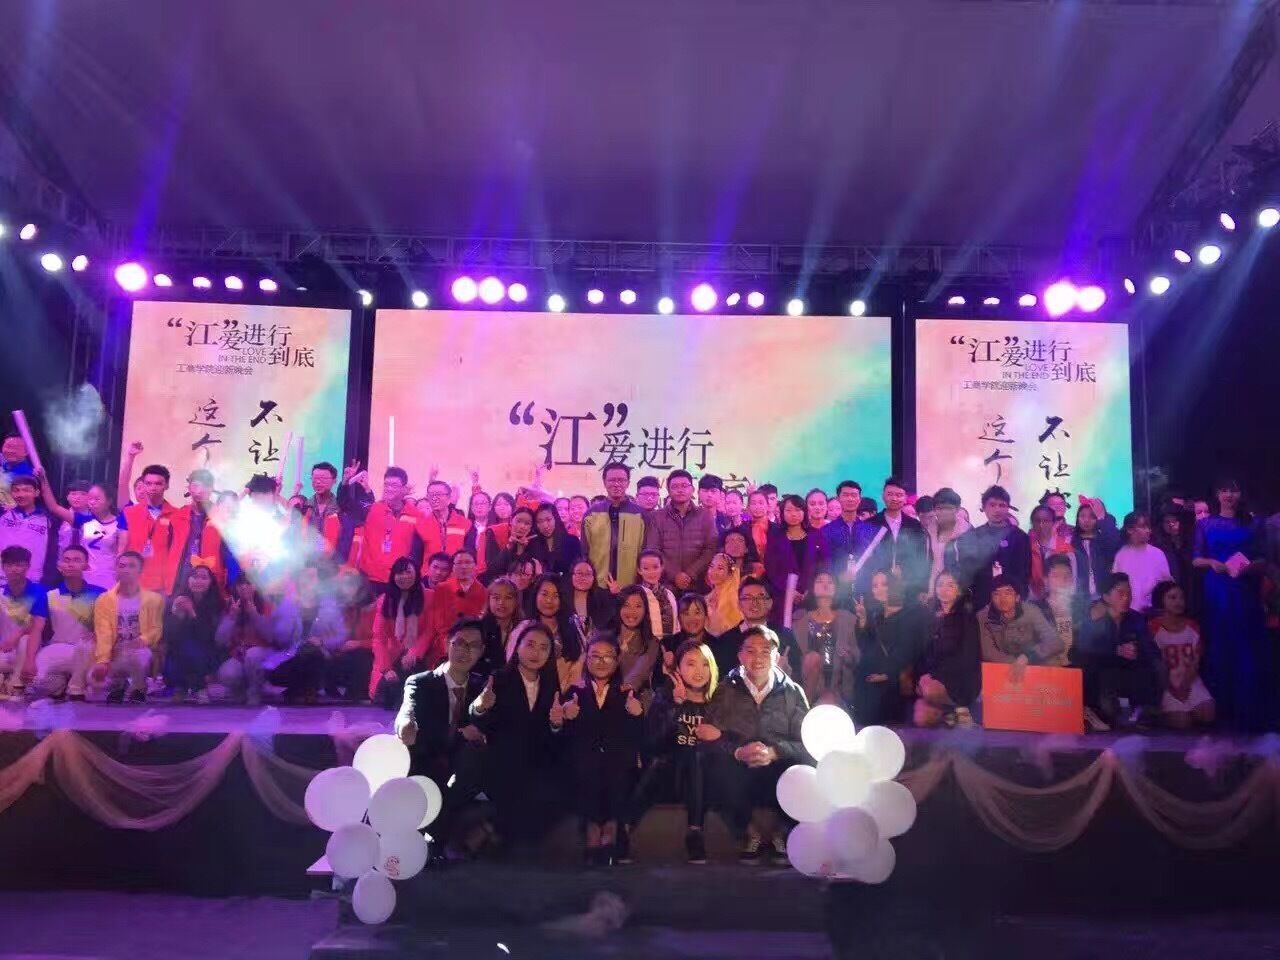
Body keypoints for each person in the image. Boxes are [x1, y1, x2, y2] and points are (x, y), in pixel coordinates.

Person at [698, 625, 810, 865]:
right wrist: (738, 751)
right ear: (740, 656)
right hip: (741, 768)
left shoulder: (792, 693)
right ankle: (749, 833)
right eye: (750, 651)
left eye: (765, 651)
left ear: (776, 657)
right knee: (710, 764)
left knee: (806, 767)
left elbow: (807, 743)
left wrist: (775, 752)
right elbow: (708, 736)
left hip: (778, 767)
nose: (757, 658)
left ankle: (783, 832)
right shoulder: (725, 691)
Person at [394, 618, 489, 855]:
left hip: (463, 768)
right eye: (460, 643)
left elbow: (485, 729)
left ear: (481, 651)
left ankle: (436, 837)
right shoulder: (421, 682)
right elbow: (409, 715)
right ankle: (439, 838)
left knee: (475, 759)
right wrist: (405, 725)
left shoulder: (483, 687)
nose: (465, 651)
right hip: (428, 761)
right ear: (447, 643)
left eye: (473, 646)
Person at [470, 621, 564, 848]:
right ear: (517, 646)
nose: (536, 653)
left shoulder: (550, 685)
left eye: (544, 648)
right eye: (530, 644)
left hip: (536, 760)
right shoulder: (499, 679)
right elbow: (482, 722)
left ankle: (492, 828)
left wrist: (556, 724)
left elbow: (550, 735)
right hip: (503, 757)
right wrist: (481, 707)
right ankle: (497, 832)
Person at [556, 632, 645, 865]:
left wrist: (637, 715)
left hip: (618, 761)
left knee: (618, 765)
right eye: (595, 656)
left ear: (617, 661)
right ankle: (596, 828)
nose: (601, 661)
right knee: (587, 763)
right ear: (586, 660)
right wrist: (567, 718)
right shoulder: (574, 693)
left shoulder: (627, 692)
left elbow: (639, 737)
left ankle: (611, 827)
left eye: (608, 656)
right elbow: (564, 739)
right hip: (585, 761)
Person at [631, 639, 718, 863]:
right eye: (690, 664)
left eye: (705, 664)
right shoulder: (665, 698)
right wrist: (676, 707)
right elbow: (653, 745)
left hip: (707, 781)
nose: (699, 671)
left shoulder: (719, 702)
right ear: (677, 668)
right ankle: (624, 828)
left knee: (696, 755)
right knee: (664, 762)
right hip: (672, 777)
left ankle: (695, 832)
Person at [1193, 478, 1270, 731]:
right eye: (1224, 490)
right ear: (1217, 494)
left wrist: (1248, 567)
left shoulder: (1254, 523)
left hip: (1244, 590)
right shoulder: (1205, 524)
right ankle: (1221, 711)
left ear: (1240, 494)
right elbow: (1196, 559)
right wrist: (1212, 563)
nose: (1229, 495)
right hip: (1217, 590)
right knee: (1219, 646)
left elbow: (1264, 560)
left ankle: (1250, 712)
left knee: (1246, 647)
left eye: (1233, 490)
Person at [1076, 573, 1161, 729]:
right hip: (1104, 674)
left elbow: (1150, 648)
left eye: (1129, 593)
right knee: (1109, 714)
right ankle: (1094, 708)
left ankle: (1146, 708)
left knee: (1155, 664)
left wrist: (1137, 649)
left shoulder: (1136, 618)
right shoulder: (1095, 618)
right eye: (1120, 593)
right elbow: (1084, 647)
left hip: (1130, 672)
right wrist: (1116, 650)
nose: (1126, 598)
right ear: (1107, 597)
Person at [214, 575, 300, 704]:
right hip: (240, 655)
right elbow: (220, 640)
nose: (244, 587)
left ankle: (256, 691)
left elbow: (272, 637)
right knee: (226, 673)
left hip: (266, 653)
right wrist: (231, 617)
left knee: (252, 654)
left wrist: (254, 614)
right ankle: (241, 691)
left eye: (248, 584)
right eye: (240, 584)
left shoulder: (268, 606)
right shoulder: (231, 607)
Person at [91, 551, 164, 702]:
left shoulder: (154, 599)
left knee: (140, 654)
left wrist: (144, 639)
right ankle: (118, 685)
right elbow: (103, 632)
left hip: (142, 650)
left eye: (131, 566)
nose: (126, 570)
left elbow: (156, 628)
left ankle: (139, 688)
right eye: (122, 566)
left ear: (140, 570)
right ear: (116, 569)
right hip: (116, 650)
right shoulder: (104, 600)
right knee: (91, 675)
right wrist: (103, 660)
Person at [853, 570, 923, 726]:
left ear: (893, 585)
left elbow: (908, 650)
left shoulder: (909, 614)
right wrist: (863, 619)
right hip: (871, 675)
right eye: (875, 585)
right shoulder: (876, 615)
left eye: (884, 584)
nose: (879, 589)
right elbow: (865, 646)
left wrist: (887, 674)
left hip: (895, 677)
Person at [34, 545, 103, 701]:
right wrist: (29, 660)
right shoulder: (48, 594)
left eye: (77, 560)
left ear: (86, 565)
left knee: (86, 650)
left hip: (87, 652)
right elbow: (36, 629)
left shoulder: (99, 594)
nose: (70, 564)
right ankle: (62, 684)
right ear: (60, 565)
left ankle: (76, 688)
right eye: (66, 560)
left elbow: (107, 627)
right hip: (57, 649)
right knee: (39, 681)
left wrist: (97, 634)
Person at [913, 570, 980, 728]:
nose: (944, 589)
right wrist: (921, 676)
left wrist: (933, 677)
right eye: (940, 585)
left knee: (928, 689)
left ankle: (960, 708)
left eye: (950, 585)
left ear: (958, 591)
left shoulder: (967, 617)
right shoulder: (929, 617)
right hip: (934, 676)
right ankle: (949, 713)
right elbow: (923, 652)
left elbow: (967, 658)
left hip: (960, 679)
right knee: (921, 719)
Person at [1148, 581, 1215, 729]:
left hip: (1190, 681)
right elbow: (1154, 664)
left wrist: (1185, 685)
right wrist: (1172, 688)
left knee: (1208, 714)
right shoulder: (1152, 627)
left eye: (1181, 598)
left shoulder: (1193, 626)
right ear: (1161, 600)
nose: (1179, 602)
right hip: (1166, 685)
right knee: (1182, 723)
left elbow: (1196, 661)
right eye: (1172, 598)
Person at [978, 575, 1064, 688]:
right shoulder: (983, 617)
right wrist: (1015, 663)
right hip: (1002, 667)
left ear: (1017, 597)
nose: (1002, 599)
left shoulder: (1031, 611)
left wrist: (1028, 657)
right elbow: (988, 652)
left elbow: (1055, 642)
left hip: (1034, 662)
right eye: (996, 594)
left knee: (1053, 661)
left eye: (1008, 593)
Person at [370, 557, 435, 705]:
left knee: (413, 696)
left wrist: (414, 653)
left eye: (408, 572)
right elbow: (378, 638)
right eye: (400, 573)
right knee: (387, 695)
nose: (404, 576)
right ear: (393, 576)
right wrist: (386, 669)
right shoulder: (385, 600)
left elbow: (429, 631)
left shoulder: (429, 596)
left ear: (417, 574)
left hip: (420, 655)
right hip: (392, 656)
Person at [40, 476, 124, 590]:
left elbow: (121, 554)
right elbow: (54, 507)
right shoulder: (84, 521)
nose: (92, 502)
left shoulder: (120, 524)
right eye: (90, 499)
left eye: (97, 499)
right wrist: (43, 479)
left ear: (109, 501)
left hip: (109, 577)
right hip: (85, 577)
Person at [956, 485, 1031, 609]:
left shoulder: (1020, 537)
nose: (997, 510)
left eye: (1002, 505)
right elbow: (966, 573)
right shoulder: (972, 537)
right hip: (980, 600)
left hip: (1011, 602)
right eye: (992, 505)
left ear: (1008, 508)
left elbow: (1024, 573)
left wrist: (1018, 598)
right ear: (984, 507)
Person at [854, 478, 930, 599]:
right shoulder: (870, 524)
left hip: (908, 588)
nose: (894, 498)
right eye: (890, 494)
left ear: (905, 498)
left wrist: (923, 588)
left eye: (899, 495)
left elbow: (921, 559)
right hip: (876, 589)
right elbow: (863, 559)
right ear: (883, 496)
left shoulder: (914, 525)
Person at [712, 578, 800, 681]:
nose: (754, 602)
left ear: (770, 603)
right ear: (739, 604)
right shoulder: (725, 641)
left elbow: (798, 672)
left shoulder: (784, 635)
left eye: (760, 597)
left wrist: (786, 673)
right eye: (747, 598)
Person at [161, 562, 225, 702]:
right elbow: (169, 636)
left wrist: (191, 613)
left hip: (208, 650)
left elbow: (208, 637)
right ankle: (182, 687)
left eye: (204, 578)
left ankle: (198, 687)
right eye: (195, 577)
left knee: (193, 648)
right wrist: (176, 614)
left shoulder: (217, 604)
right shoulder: (176, 601)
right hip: (178, 651)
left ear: (211, 582)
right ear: (188, 580)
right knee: (181, 649)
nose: (198, 581)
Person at [644, 470, 718, 591]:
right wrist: (675, 575)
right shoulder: (657, 517)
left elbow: (710, 549)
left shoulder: (705, 516)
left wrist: (690, 573)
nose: (680, 490)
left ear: (692, 489)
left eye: (684, 486)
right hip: (665, 584)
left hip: (698, 584)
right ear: (668, 491)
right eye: (675, 486)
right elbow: (654, 550)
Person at [793, 570, 857, 707]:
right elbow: (795, 659)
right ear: (812, 588)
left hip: (839, 688)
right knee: (812, 658)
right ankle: (805, 707)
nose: (825, 585)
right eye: (820, 581)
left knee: (830, 699)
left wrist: (847, 655)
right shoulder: (800, 620)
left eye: (830, 582)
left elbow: (857, 656)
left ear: (836, 588)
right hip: (808, 686)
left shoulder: (848, 619)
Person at [350, 467, 420, 592]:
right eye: (386, 484)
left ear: (404, 488)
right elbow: (345, 504)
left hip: (399, 579)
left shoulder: (415, 515)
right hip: (370, 579)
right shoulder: (372, 509)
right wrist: (346, 483)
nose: (389, 488)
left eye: (394, 485)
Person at [763, 494, 828, 622]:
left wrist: (811, 589)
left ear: (804, 512)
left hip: (812, 596)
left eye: (798, 510)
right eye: (788, 510)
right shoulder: (775, 536)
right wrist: (789, 591)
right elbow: (771, 569)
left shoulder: (816, 535)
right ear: (782, 513)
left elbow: (824, 564)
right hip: (782, 598)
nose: (793, 514)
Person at [582, 462, 646, 590]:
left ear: (628, 483)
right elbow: (584, 551)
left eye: (621, 480)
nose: (616, 484)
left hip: (630, 585)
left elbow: (644, 550)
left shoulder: (640, 514)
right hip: (598, 584)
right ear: (604, 482)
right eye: (612, 480)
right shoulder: (591, 514)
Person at [120, 460, 179, 593]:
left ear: (167, 485)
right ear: (143, 485)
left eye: (158, 484)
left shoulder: (177, 515)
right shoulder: (128, 513)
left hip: (163, 585)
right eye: (148, 483)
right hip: (132, 582)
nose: (153, 488)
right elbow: (121, 549)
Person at [0, 545, 49, 697]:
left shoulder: (38, 592)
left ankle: (16, 685)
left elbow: (37, 627)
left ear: (27, 566)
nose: (13, 569)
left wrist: (30, 660)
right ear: (2, 567)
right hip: (4, 651)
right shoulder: (1, 592)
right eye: (9, 565)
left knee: (25, 639)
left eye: (18, 565)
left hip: (29, 651)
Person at [300, 460, 370, 562]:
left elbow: (364, 513)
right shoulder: (304, 508)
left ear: (334, 481)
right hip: (307, 564)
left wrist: (346, 482)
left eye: (323, 478)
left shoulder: (341, 509)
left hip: (333, 566)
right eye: (315, 478)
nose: (318, 482)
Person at [0, 475, 58, 586]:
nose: (21, 494)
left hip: (34, 581)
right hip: (2, 580)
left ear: (36, 492)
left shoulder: (48, 519)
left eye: (26, 490)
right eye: (16, 490)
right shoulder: (3, 514)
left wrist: (48, 581)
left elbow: (52, 552)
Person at [1111, 512, 1172, 613]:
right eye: (1143, 527)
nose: (1148, 531)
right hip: (1128, 612)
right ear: (1130, 529)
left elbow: (1167, 585)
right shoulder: (1121, 555)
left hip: (1153, 612)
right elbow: (1116, 586)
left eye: (1148, 527)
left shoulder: (1157, 554)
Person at [1032, 553, 1085, 667]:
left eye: (1067, 575)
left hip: (1074, 671)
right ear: (1046, 580)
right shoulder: (1035, 610)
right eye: (1056, 575)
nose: (1063, 580)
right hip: (1045, 670)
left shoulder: (1081, 610)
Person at [430, 549, 488, 651]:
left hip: (472, 647)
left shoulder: (484, 592)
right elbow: (439, 624)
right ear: (453, 567)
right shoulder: (442, 588)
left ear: (475, 566)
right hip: (445, 645)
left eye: (468, 562)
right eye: (459, 563)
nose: (463, 566)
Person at [613, 586, 660, 705]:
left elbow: (639, 671)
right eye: (626, 605)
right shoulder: (606, 636)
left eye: (638, 606)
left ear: (645, 609)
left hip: (635, 701)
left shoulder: (651, 642)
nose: (632, 611)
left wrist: (624, 688)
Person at [1072, 501, 1121, 600]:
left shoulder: (1104, 540)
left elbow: (1115, 545)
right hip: (1079, 596)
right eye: (1082, 516)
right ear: (1077, 518)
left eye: (1092, 516)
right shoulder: (1072, 541)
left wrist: (1103, 520)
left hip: (1103, 595)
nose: (1086, 520)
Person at [820, 480, 866, 587]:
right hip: (836, 588)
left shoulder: (868, 530)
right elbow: (824, 563)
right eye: (845, 495)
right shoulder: (826, 531)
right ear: (838, 499)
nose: (850, 499)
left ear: (860, 499)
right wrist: (837, 577)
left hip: (864, 588)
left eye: (854, 495)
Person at [1028, 504, 1076, 603]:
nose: (1041, 525)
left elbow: (1073, 579)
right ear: (1032, 524)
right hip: (1034, 600)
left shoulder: (1065, 548)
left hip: (1062, 600)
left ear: (1054, 523)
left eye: (1046, 521)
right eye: (1037, 521)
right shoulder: (1027, 548)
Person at [924, 487, 968, 592]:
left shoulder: (967, 533)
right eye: (939, 508)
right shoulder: (928, 532)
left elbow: (969, 568)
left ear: (957, 509)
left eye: (948, 508)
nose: (943, 512)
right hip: (934, 588)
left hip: (958, 590)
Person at [417, 479, 473, 561]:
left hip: (456, 568)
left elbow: (469, 555)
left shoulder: (465, 523)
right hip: (430, 569)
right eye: (431, 495)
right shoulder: (420, 525)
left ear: (449, 497)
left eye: (438, 494)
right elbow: (416, 558)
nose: (434, 498)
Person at [477, 576, 521, 673]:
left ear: (516, 601)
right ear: (488, 600)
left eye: (508, 598)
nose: (501, 603)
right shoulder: (478, 628)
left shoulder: (524, 629)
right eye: (496, 598)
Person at [636, 548, 679, 642]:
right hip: (644, 643)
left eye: (655, 567)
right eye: (646, 568)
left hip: (669, 643)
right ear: (639, 570)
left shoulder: (669, 594)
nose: (651, 572)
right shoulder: (636, 594)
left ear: (662, 567)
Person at [1153, 502, 1195, 596]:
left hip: (1191, 588)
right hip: (1169, 591)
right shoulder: (1158, 546)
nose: (1171, 524)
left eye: (1175, 521)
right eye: (1167, 522)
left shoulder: (1190, 541)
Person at [529, 502, 582, 576]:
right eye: (539, 521)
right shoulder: (533, 543)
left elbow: (578, 569)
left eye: (548, 520)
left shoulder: (572, 542)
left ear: (556, 519)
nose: (545, 526)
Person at [568, 558, 616, 637]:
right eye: (579, 573)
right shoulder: (562, 599)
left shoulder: (603, 597)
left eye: (588, 574)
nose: (583, 578)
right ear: (572, 576)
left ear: (593, 578)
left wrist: (616, 595)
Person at [485, 507, 536, 578]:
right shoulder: (496, 532)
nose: (522, 526)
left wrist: (520, 550)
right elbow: (492, 570)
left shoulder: (533, 539)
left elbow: (521, 575)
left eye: (527, 523)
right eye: (518, 521)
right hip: (495, 580)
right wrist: (509, 546)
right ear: (511, 520)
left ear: (531, 526)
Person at [704, 550, 742, 637]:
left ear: (730, 573)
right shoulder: (706, 598)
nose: (713, 571)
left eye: (720, 568)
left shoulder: (735, 600)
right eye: (711, 566)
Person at [739, 490, 772, 577]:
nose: (757, 507)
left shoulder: (777, 530)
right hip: (749, 577)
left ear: (768, 506)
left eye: (761, 503)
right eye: (753, 503)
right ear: (748, 507)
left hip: (774, 577)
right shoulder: (742, 530)